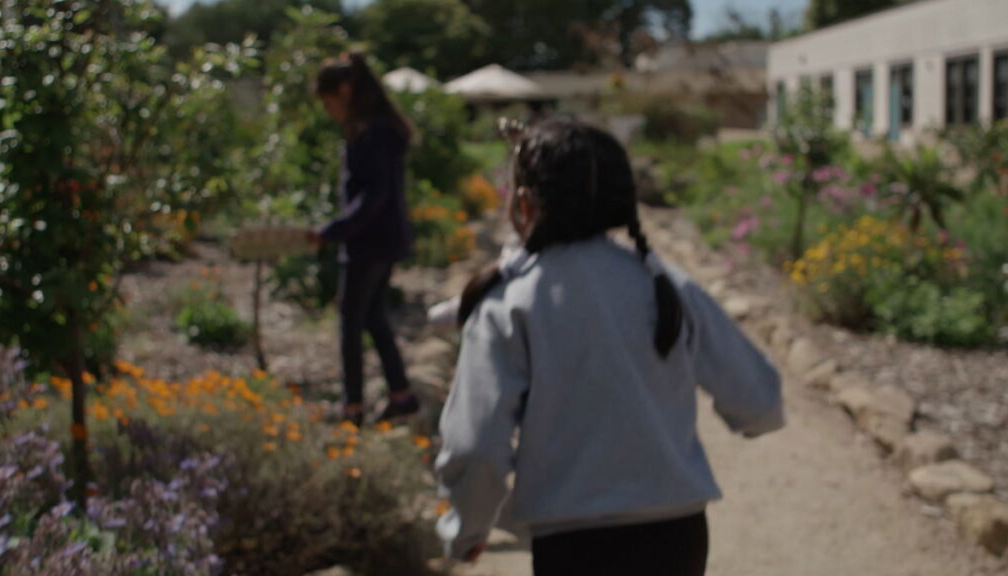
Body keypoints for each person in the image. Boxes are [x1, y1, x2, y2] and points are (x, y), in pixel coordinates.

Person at [435, 117, 784, 576]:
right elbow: (760, 403)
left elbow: (477, 445)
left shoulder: (510, 301)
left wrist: (467, 528)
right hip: (678, 538)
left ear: (524, 203)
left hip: (575, 545)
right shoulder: (665, 283)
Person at [311, 53, 420, 427]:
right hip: (382, 238)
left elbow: (373, 195)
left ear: (344, 91)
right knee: (373, 317)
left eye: (328, 103)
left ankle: (352, 408)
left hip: (367, 241)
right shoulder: (381, 128)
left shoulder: (372, 133)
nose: (329, 112)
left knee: (350, 322)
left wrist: (334, 230)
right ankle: (401, 395)